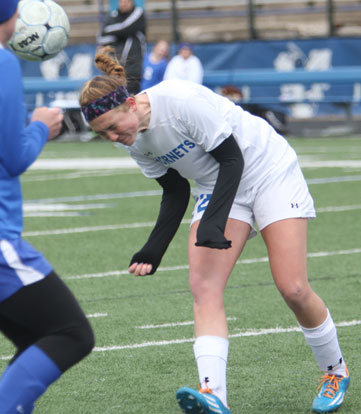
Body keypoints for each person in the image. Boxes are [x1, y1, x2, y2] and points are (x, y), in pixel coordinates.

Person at [79, 47, 350, 414]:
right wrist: (152, 249)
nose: (111, 138)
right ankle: (213, 394)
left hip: (267, 169)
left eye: (112, 127)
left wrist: (212, 222)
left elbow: (232, 158)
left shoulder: (179, 100)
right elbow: (175, 192)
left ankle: (335, 371)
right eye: (102, 134)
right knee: (203, 286)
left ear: (129, 103)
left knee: (293, 287)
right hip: (218, 185)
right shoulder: (135, 143)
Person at [0, 2, 95, 413]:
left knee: (35, 335)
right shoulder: (3, 63)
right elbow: (14, 157)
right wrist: (41, 125)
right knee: (71, 333)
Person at [97, 0, 146, 94]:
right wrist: (119, 35)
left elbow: (126, 27)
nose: (124, 4)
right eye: (121, 1)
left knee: (131, 101)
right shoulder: (112, 16)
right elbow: (101, 37)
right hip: (113, 71)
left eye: (127, 1)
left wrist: (111, 32)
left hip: (132, 70)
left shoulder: (137, 12)